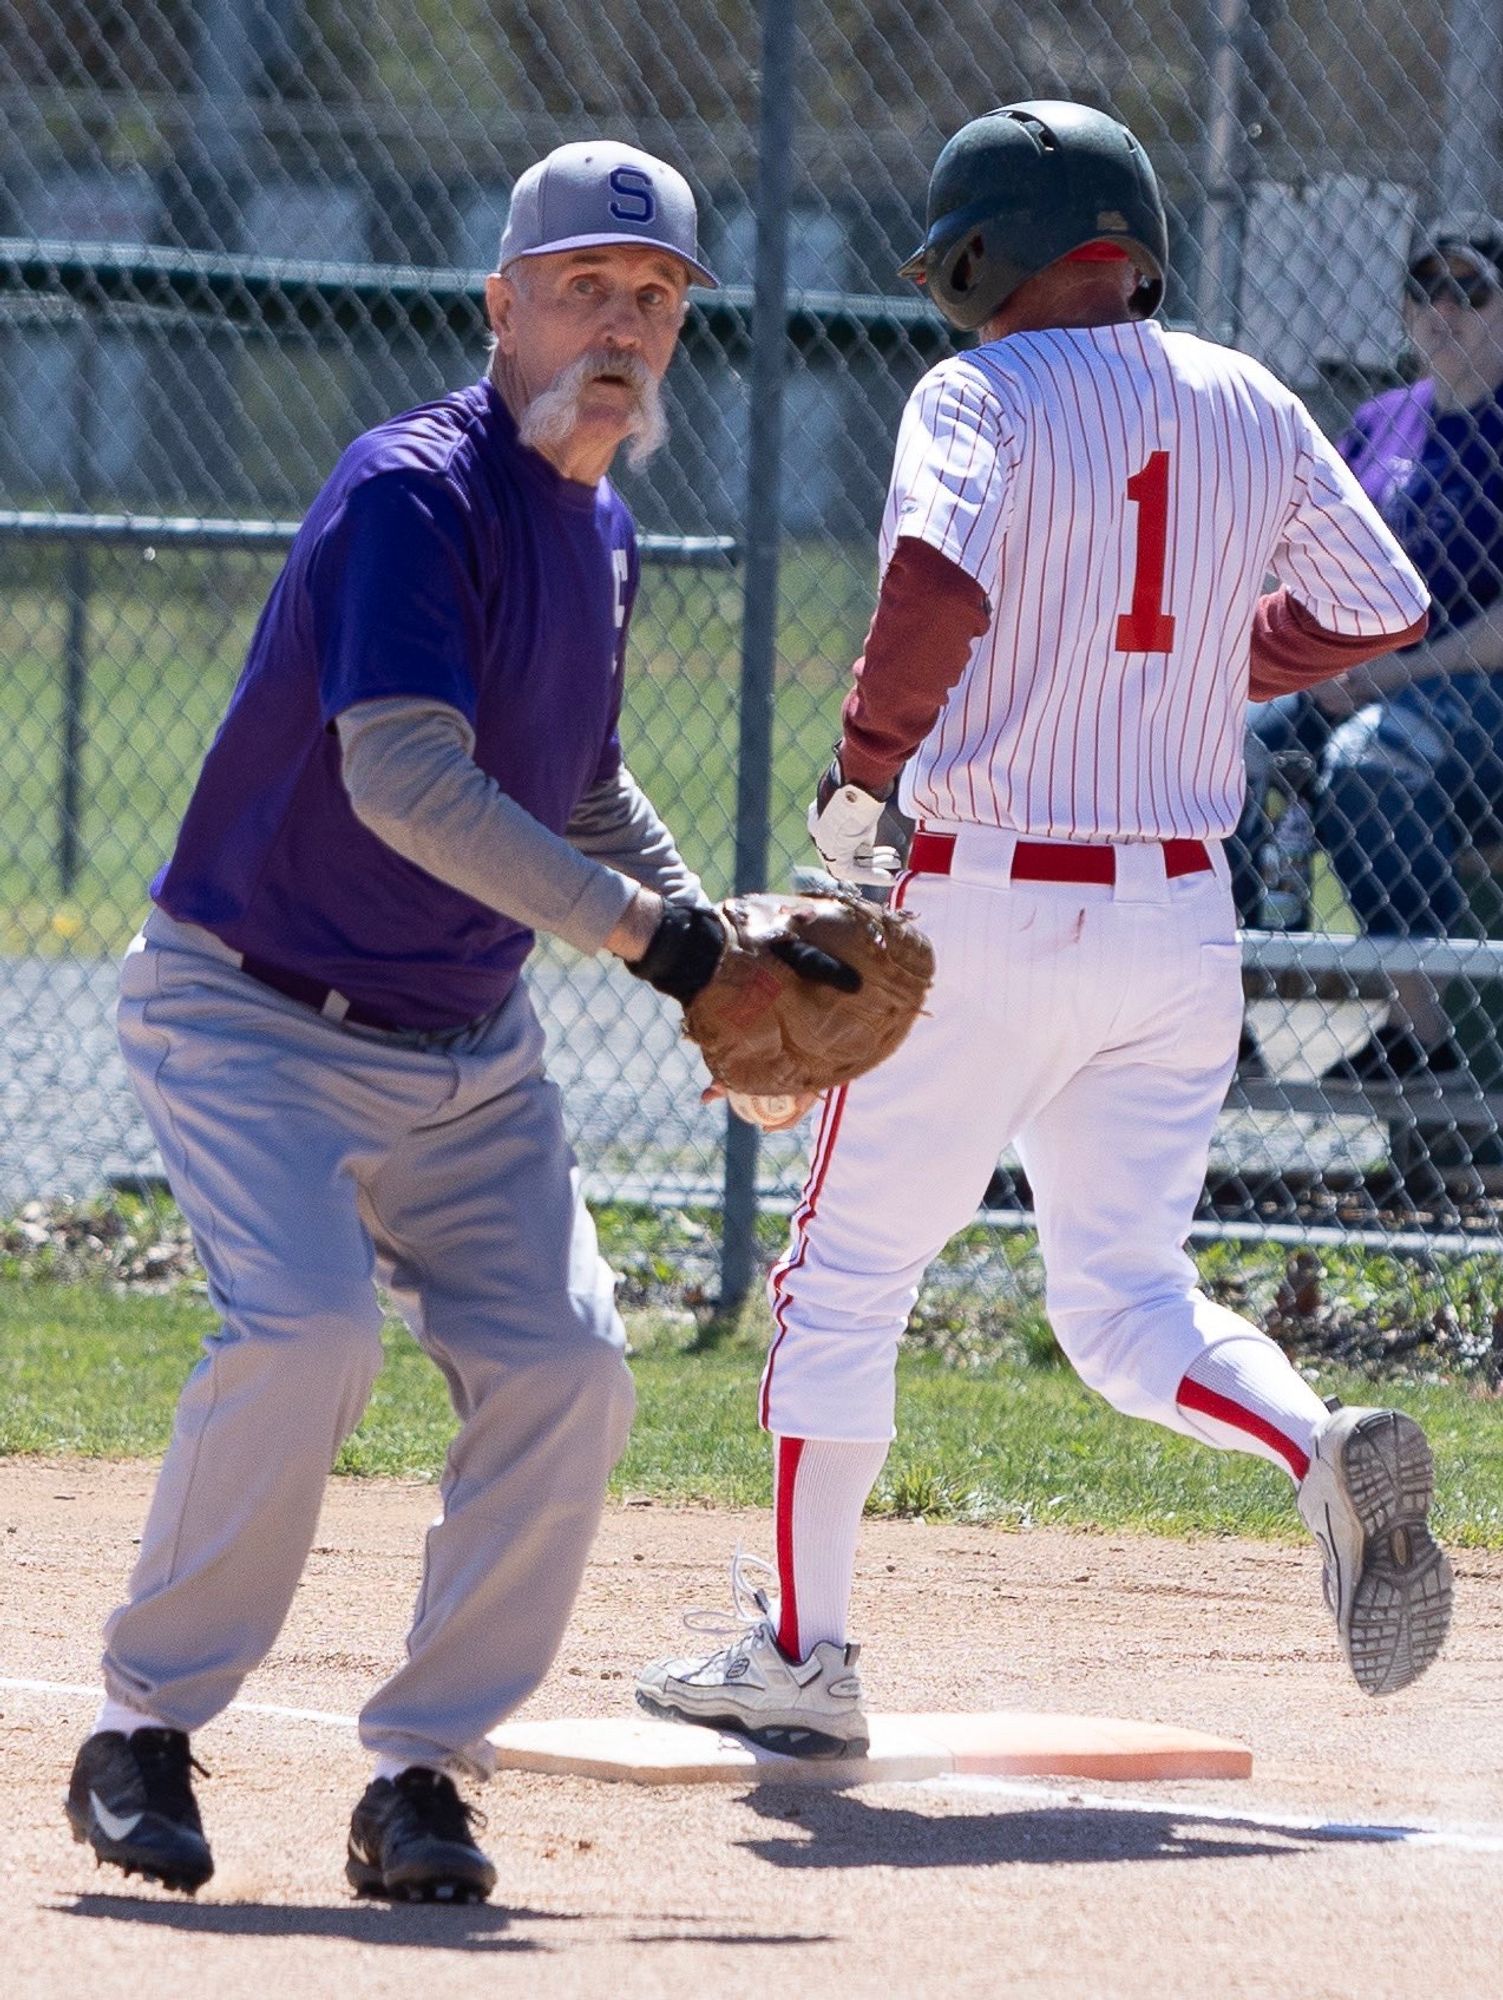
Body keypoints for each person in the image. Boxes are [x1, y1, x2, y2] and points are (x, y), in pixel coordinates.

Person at [636, 100, 1453, 1758]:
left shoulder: (976, 386)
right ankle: (1317, 1451)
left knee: (841, 1282)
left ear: (981, 259)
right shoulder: (1240, 390)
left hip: (987, 896)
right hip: (1176, 921)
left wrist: (858, 780)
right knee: (1124, 1297)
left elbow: (933, 584)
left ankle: (799, 1658)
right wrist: (1205, 670)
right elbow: (1382, 607)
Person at [62, 140, 754, 1902]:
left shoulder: (603, 530)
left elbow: (578, 783)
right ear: (499, 306)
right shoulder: (409, 496)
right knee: (307, 1336)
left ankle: (421, 1776)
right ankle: (141, 1731)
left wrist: (718, 936)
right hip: (251, 1010)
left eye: (653, 297)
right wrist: (655, 951)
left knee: (569, 1369)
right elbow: (408, 784)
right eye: (586, 288)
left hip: (464, 1048)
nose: (621, 323)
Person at [1232, 216, 1503, 1084]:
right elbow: (1313, 556)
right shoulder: (1381, 420)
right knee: (1221, 748)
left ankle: (1425, 1037)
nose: (1444, 310)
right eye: (1426, 289)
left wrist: (1397, 670)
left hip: (1472, 691)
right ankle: (1211, 1012)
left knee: (1370, 762)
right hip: (1353, 676)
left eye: (1470, 291)